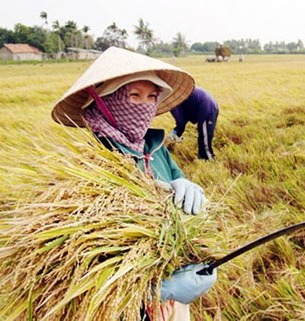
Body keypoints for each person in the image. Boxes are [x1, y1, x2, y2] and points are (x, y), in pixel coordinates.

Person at [51, 46, 217, 321]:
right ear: (105, 101)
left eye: (152, 96)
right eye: (133, 95)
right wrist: (159, 289)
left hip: (171, 305)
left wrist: (187, 188)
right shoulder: (92, 163)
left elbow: (177, 182)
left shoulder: (155, 147)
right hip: (126, 308)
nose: (144, 106)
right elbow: (84, 271)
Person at [168, 87, 219, 160]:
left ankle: (208, 160)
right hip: (205, 106)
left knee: (205, 137)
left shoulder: (171, 101)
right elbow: (184, 117)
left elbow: (181, 122)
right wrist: (177, 132)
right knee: (203, 135)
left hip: (207, 108)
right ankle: (203, 158)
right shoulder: (175, 94)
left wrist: (177, 134)